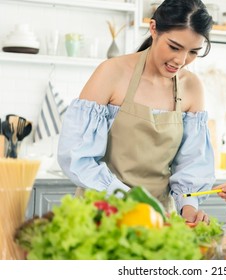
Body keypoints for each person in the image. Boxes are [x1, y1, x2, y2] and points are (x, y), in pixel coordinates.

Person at [57, 0, 215, 223]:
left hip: (157, 218)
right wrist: (125, 197)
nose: (180, 61)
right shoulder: (112, 72)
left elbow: (192, 163)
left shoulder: (192, 87)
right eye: (174, 47)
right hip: (100, 212)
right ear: (153, 29)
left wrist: (189, 208)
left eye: (193, 52)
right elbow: (76, 156)